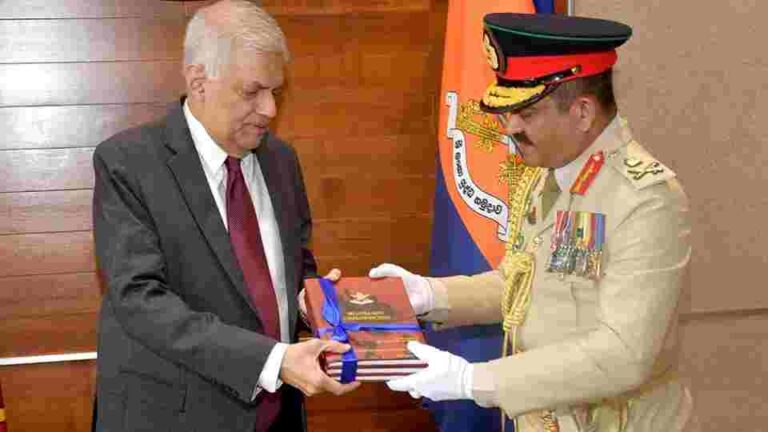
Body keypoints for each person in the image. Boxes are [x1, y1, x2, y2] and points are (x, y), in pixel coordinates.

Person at [370, 13, 694, 432]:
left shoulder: (645, 199)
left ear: (581, 112)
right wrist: (431, 295)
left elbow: (623, 353)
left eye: (527, 112)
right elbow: (523, 285)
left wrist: (474, 381)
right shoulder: (550, 171)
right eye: (507, 113)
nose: (510, 129)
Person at [92, 1, 359, 431]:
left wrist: (310, 304)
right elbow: (140, 299)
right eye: (252, 92)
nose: (270, 109)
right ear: (199, 81)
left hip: (277, 416)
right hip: (175, 417)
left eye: (276, 91)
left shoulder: (281, 161)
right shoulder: (128, 164)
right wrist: (273, 361)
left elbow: (292, 267)